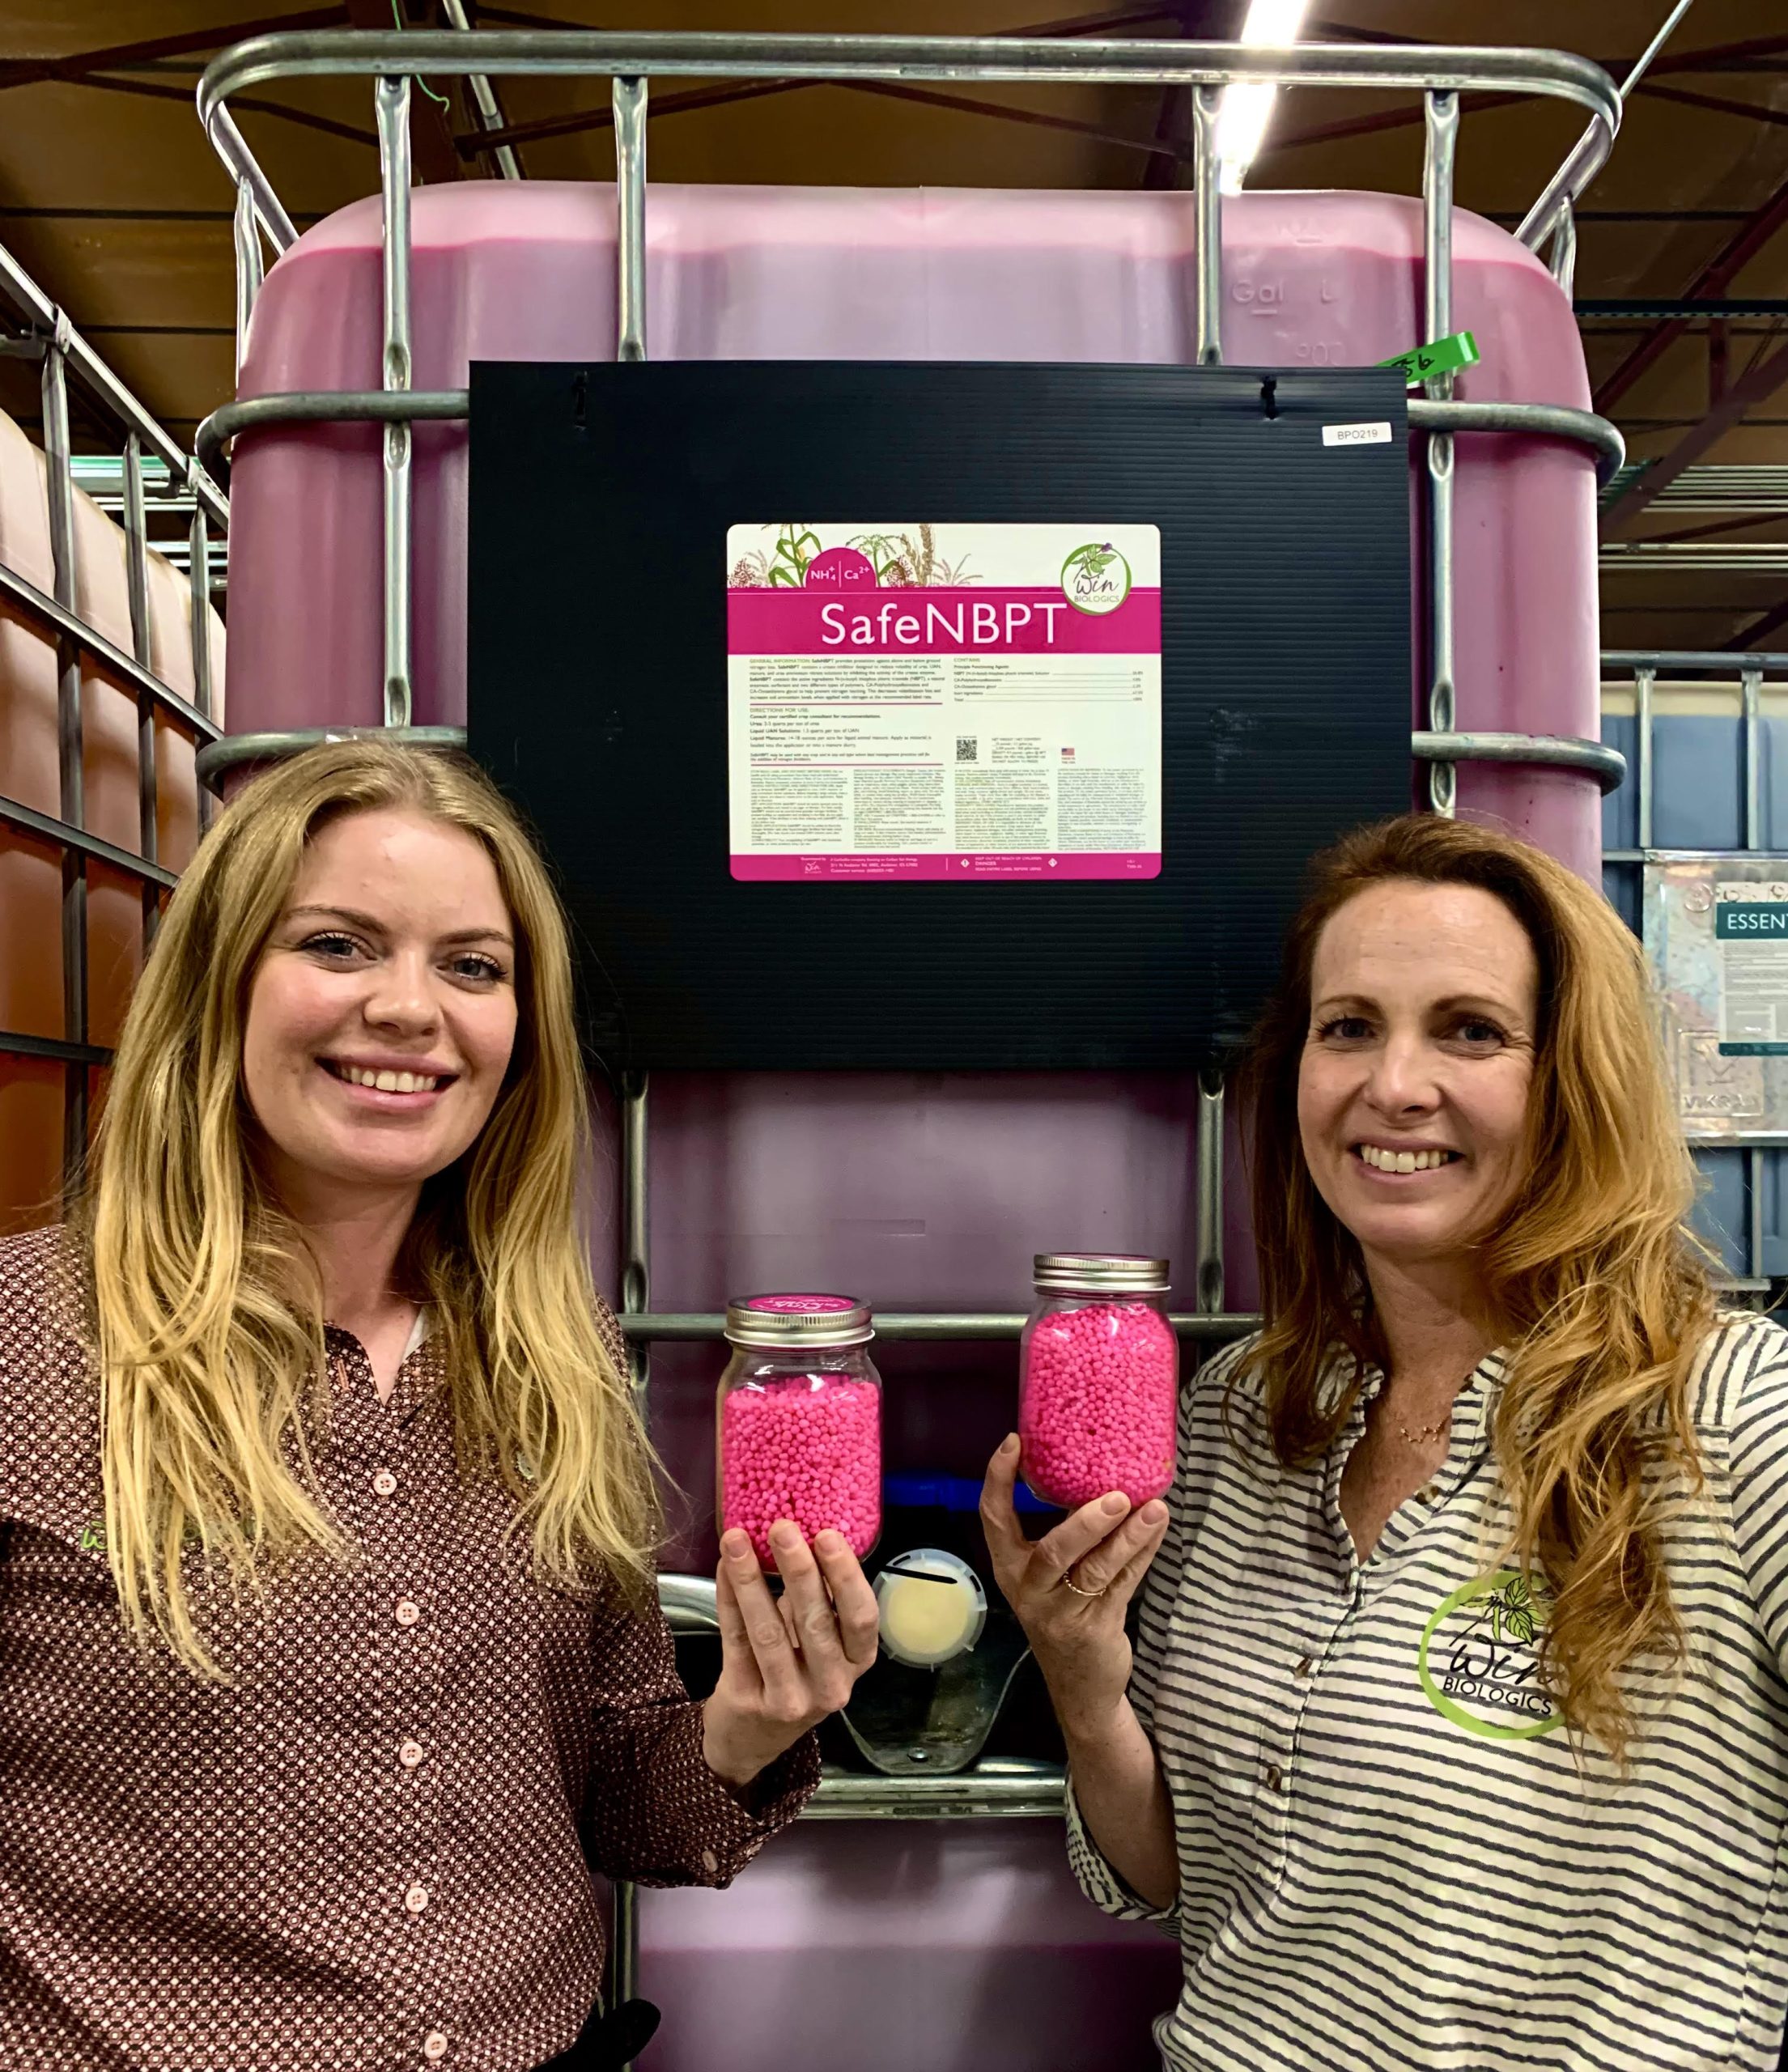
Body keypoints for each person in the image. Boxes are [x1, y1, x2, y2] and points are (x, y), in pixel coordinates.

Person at [0, 740, 879, 2072]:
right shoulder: (30, 1338)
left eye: (471, 966)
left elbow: (619, 1804)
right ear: (219, 982)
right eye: (339, 945)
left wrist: (749, 1726)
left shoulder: (548, 1360)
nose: (410, 1011)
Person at [983, 812, 1788, 2072]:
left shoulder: (1728, 1412)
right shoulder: (1241, 1417)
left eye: (1469, 1030)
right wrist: (1083, 1679)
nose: (1391, 1085)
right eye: (1348, 1026)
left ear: (1572, 1076)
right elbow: (1178, 1882)